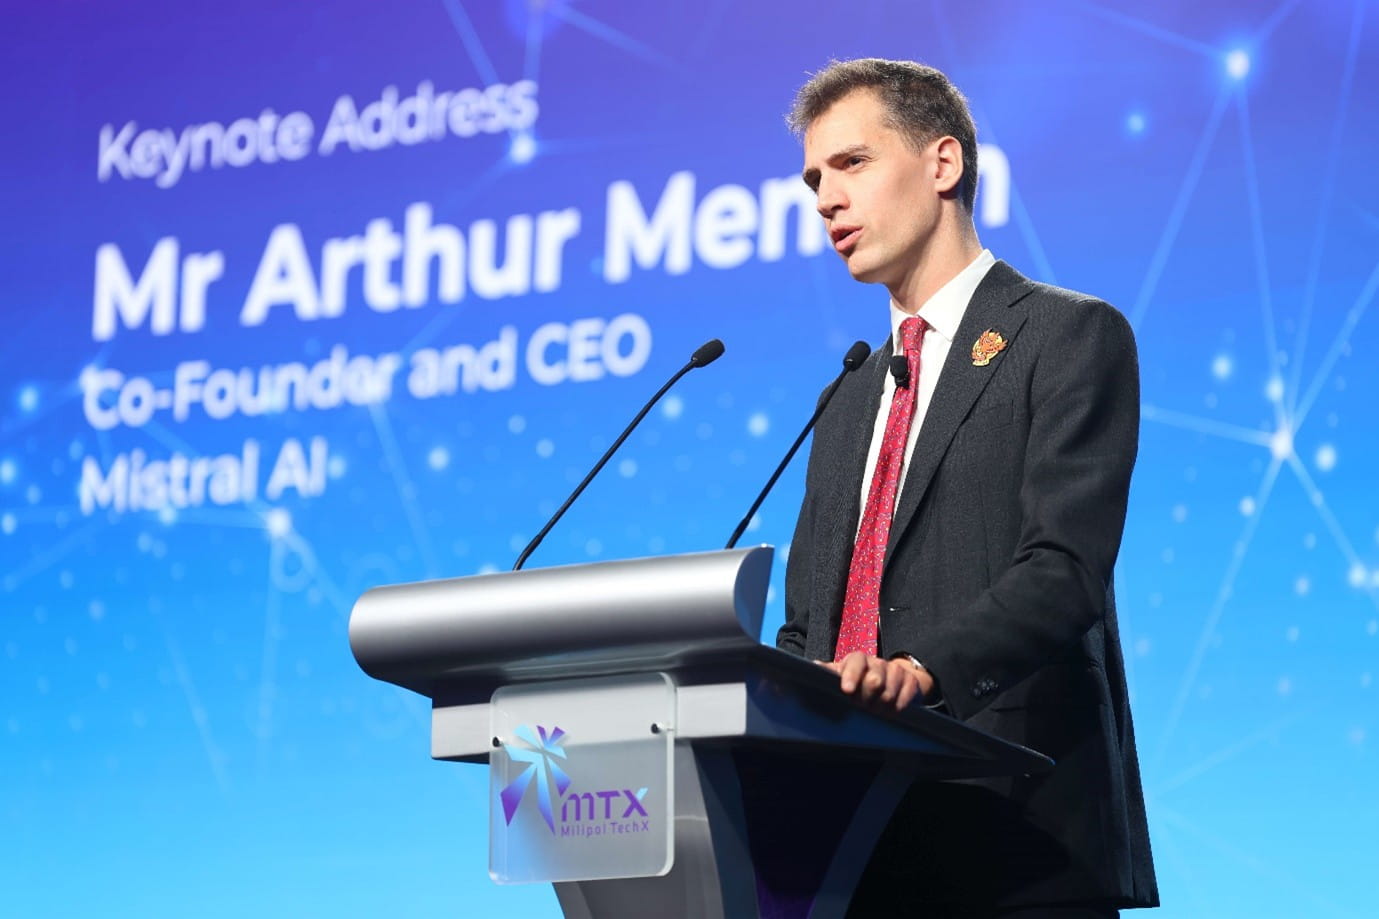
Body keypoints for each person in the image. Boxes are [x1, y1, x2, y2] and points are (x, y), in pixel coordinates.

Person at [776, 58, 1159, 917]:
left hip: (1014, 834)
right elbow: (809, 623)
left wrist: (921, 670)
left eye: (851, 163)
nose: (825, 199)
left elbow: (1064, 569)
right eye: (812, 179)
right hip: (850, 845)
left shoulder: (1066, 336)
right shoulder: (846, 398)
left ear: (942, 164)